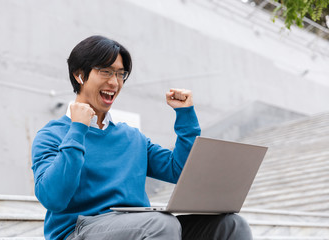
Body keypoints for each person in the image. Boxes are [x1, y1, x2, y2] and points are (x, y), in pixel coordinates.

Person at [31, 35, 253, 240]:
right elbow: (54, 198)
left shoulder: (131, 137)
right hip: (78, 230)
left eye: (120, 74)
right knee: (161, 224)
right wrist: (77, 130)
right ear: (79, 75)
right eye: (106, 72)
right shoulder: (52, 135)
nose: (115, 83)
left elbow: (180, 170)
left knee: (232, 225)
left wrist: (185, 116)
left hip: (138, 225)